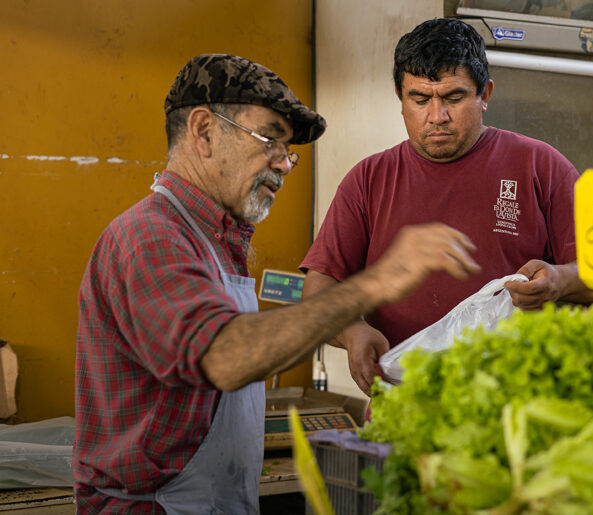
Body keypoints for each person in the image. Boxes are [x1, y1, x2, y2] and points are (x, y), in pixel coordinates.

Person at [73, 53, 481, 514]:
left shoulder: (218, 239)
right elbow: (224, 356)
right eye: (270, 139)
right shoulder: (151, 238)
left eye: (288, 151)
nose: (284, 164)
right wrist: (374, 285)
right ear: (204, 132)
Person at [300, 18, 593, 395]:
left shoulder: (541, 167)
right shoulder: (368, 180)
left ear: (485, 94)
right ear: (400, 97)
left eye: (453, 98)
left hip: (517, 403)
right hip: (405, 401)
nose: (436, 116)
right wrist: (351, 331)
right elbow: (319, 288)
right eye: (420, 99)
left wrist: (559, 281)